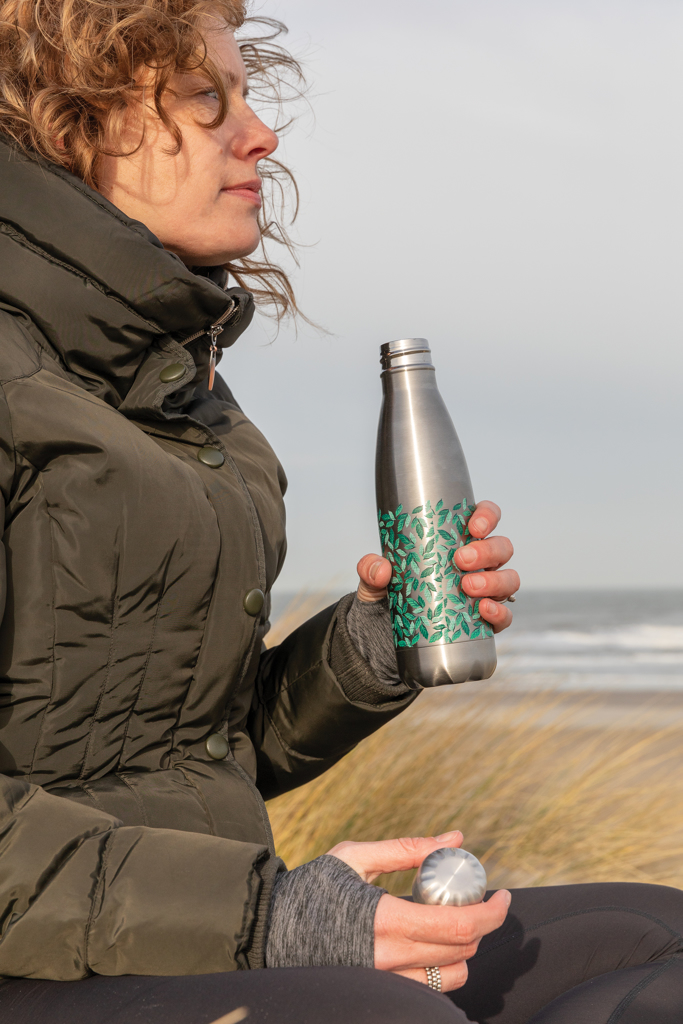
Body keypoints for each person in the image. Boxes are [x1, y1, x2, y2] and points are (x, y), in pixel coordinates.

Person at [0, 1, 681, 1022]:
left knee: (651, 938)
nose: (261, 135)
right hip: (47, 968)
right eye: (205, 97)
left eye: (247, 94)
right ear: (69, 121)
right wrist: (266, 918)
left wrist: (370, 650)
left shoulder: (185, 395)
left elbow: (191, 750)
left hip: (196, 941)